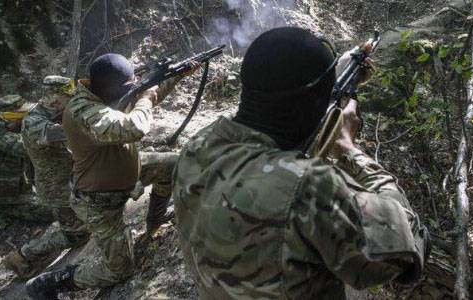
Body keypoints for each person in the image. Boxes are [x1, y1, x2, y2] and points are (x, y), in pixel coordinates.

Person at [172, 27, 431, 299]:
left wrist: (330, 79)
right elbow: (406, 251)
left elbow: (284, 123)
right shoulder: (308, 187)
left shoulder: (198, 146)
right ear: (314, 103)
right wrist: (347, 146)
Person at [25, 53, 199, 299]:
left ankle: (156, 217)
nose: (133, 89)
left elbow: (147, 94)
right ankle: (50, 282)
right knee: (120, 270)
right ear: (112, 87)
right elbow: (134, 126)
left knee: (175, 165)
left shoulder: (104, 96)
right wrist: (146, 98)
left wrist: (175, 76)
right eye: (129, 86)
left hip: (129, 169)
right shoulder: (83, 111)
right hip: (99, 200)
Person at [3, 75, 90, 280]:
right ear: (54, 98)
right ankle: (22, 255)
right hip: (56, 187)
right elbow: (60, 134)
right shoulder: (34, 121)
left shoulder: (50, 107)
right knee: (77, 235)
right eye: (69, 97)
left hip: (70, 179)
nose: (72, 100)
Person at [0, 94, 51, 222]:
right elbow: (23, 148)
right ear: (10, 117)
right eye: (23, 115)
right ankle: (3, 208)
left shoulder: (12, 126)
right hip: (7, 189)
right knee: (54, 211)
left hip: (20, 183)